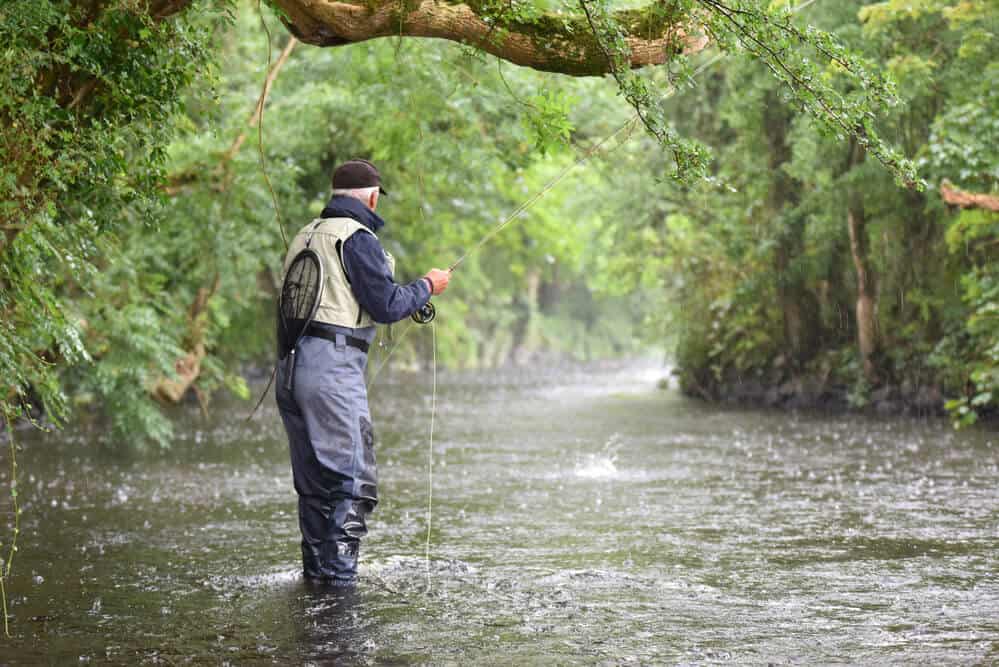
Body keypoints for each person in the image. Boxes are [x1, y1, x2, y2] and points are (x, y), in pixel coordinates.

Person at [275, 159, 450, 585]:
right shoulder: (357, 238)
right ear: (372, 197)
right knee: (353, 482)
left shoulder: (305, 235)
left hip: (289, 370)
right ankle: (338, 586)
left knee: (315, 485)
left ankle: (316, 581)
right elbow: (387, 305)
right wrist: (427, 285)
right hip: (331, 372)